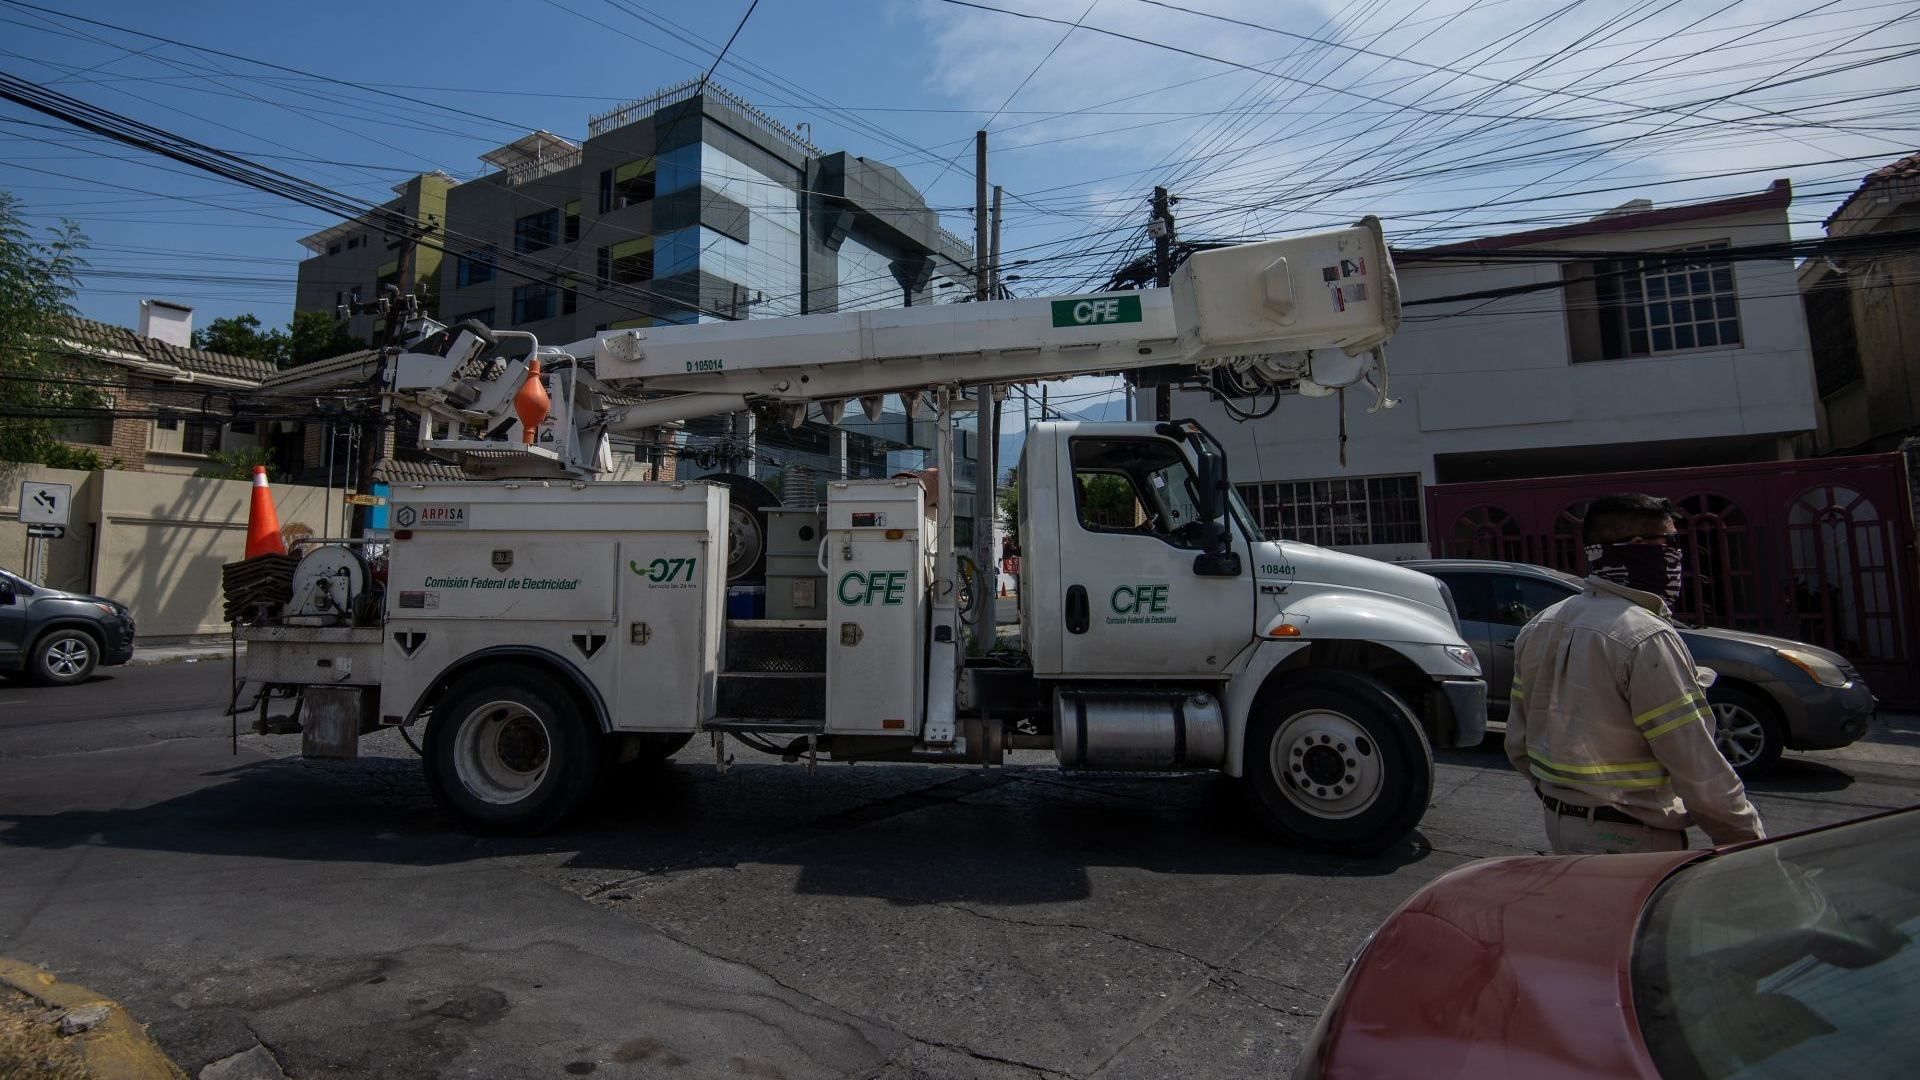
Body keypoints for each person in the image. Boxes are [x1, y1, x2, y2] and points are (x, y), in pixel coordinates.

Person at [1506, 493, 1765, 855]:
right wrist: (1747, 844)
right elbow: (1696, 765)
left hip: (1561, 826)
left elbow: (1518, 745)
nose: (1676, 555)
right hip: (1632, 838)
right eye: (1670, 542)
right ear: (1640, 547)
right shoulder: (1646, 637)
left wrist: (1566, 803)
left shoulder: (1541, 625)